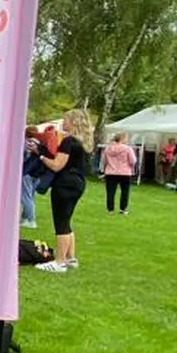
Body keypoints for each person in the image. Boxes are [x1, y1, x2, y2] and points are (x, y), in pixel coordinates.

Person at [36, 108, 94, 272]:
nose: (63, 122)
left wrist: (41, 156)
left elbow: (56, 165)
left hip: (65, 183)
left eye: (66, 120)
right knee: (67, 220)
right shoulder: (82, 143)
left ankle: (59, 261)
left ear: (73, 122)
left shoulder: (69, 142)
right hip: (78, 182)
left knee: (60, 221)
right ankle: (70, 258)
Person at [99, 131, 136, 215]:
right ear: (123, 139)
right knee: (125, 192)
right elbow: (133, 160)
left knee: (110, 192)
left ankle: (110, 209)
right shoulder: (127, 148)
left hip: (110, 172)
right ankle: (123, 209)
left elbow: (103, 160)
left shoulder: (108, 148)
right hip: (125, 172)